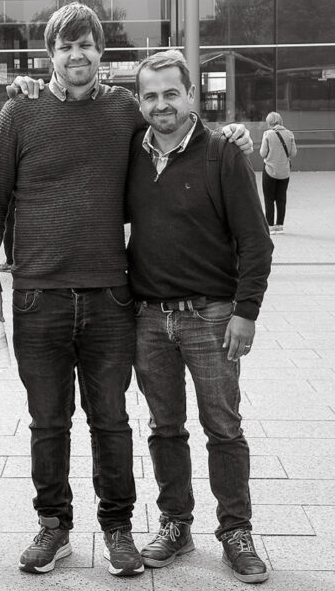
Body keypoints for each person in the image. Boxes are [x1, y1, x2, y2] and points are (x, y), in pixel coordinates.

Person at [0, 3, 251, 578]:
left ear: (101, 52)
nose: (77, 55)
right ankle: (53, 526)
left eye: (87, 45)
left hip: (110, 298)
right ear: (50, 54)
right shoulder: (19, 112)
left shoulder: (125, 109)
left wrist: (231, 136)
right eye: (65, 46)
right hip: (38, 296)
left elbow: (176, 129)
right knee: (47, 422)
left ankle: (118, 527)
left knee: (112, 421)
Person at [127, 50, 273, 584]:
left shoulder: (222, 153)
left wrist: (245, 312)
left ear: (191, 96)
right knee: (164, 428)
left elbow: (256, 242)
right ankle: (175, 523)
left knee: (223, 428)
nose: (161, 104)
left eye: (171, 93)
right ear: (139, 102)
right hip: (149, 318)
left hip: (211, 317)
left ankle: (236, 531)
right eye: (150, 95)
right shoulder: (132, 153)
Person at [258, 111, 296, 233]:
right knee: (281, 198)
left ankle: (270, 226)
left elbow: (262, 153)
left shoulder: (267, 134)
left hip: (270, 170)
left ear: (269, 122)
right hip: (284, 172)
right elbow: (293, 153)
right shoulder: (289, 134)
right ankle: (279, 226)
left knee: (269, 198)